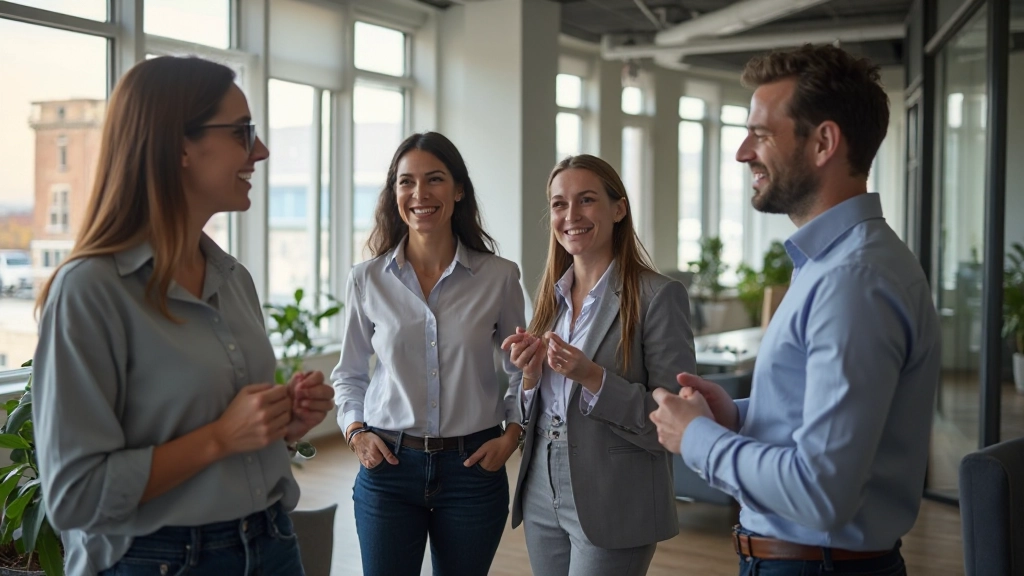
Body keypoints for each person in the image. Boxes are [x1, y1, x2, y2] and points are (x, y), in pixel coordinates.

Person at [31, 56, 336, 575]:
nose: (261, 151)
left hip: (272, 542)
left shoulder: (234, 279)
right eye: (242, 132)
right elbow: (74, 496)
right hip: (161, 561)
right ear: (179, 147)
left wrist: (281, 425)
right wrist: (220, 437)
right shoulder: (90, 291)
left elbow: (229, 432)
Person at [650, 44, 941, 576]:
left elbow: (821, 491)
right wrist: (739, 416)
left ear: (824, 142)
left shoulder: (854, 280)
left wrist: (697, 438)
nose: (742, 153)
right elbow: (817, 420)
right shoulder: (832, 264)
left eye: (761, 134)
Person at [332, 131, 525, 576]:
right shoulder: (366, 279)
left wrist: (512, 435)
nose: (420, 193)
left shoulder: (499, 277)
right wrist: (355, 432)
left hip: (474, 468)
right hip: (387, 468)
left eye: (434, 179)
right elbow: (350, 373)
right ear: (394, 193)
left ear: (458, 190)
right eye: (407, 182)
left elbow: (523, 371)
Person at [501, 154, 695, 576]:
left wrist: (592, 377)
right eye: (559, 204)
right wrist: (529, 377)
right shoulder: (550, 298)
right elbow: (524, 406)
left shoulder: (658, 296)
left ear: (618, 209)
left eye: (586, 200)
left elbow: (675, 421)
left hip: (615, 493)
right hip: (540, 486)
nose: (571, 215)